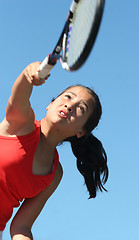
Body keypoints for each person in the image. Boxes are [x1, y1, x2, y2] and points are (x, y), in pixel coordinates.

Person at [0, 62, 109, 240]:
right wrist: (29, 74)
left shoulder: (54, 174)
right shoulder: (21, 123)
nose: (70, 105)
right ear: (50, 104)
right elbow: (18, 97)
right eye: (67, 97)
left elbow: (22, 226)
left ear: (81, 132)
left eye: (81, 108)